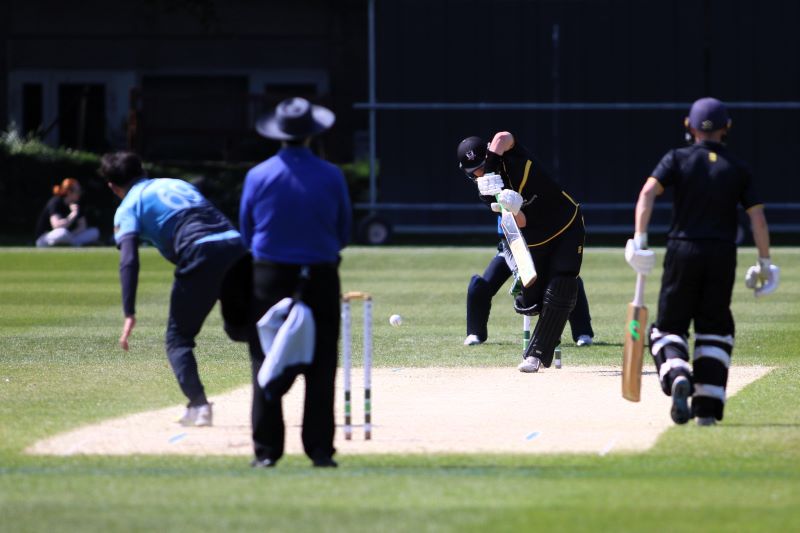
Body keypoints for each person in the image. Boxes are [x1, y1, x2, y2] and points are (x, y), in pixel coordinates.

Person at [626, 97, 777, 427]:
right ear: (727, 128)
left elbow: (647, 193)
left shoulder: (676, 158)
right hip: (722, 254)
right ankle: (706, 410)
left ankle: (678, 373)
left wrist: (640, 238)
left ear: (689, 127)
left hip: (683, 250)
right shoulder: (738, 167)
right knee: (715, 330)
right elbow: (758, 219)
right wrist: (765, 262)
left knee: (668, 328)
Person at [99, 151, 249, 427]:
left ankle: (199, 406)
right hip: (236, 245)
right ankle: (285, 359)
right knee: (241, 329)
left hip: (199, 251)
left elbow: (128, 260)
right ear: (143, 171)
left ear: (112, 186)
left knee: (178, 339)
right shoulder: (177, 184)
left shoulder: (128, 206)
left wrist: (129, 311)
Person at [240, 97, 351, 468]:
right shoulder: (331, 175)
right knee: (321, 363)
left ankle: (266, 451)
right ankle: (320, 451)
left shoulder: (258, 175)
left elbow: (247, 231)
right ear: (311, 134)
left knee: (265, 357)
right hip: (320, 273)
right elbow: (344, 232)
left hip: (268, 275)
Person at [456, 133, 586, 372]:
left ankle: (535, 356)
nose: (481, 174)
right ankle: (526, 305)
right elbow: (522, 222)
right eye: (475, 172)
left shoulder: (509, 156)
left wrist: (491, 168)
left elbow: (502, 137)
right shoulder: (486, 192)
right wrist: (513, 208)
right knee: (533, 301)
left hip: (567, 223)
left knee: (563, 284)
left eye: (482, 166)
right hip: (537, 238)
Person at [463, 227, 595, 347]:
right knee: (478, 286)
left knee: (570, 281)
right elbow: (506, 234)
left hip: (543, 253)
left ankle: (583, 333)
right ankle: (475, 334)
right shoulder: (505, 210)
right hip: (511, 253)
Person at [35, 178, 100, 247]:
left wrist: (71, 236)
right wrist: (73, 214)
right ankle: (74, 244)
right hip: (46, 237)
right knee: (63, 232)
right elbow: (57, 226)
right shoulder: (56, 202)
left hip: (70, 236)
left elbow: (82, 226)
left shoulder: (77, 203)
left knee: (95, 232)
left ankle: (70, 243)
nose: (80, 193)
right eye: (78, 191)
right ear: (69, 192)